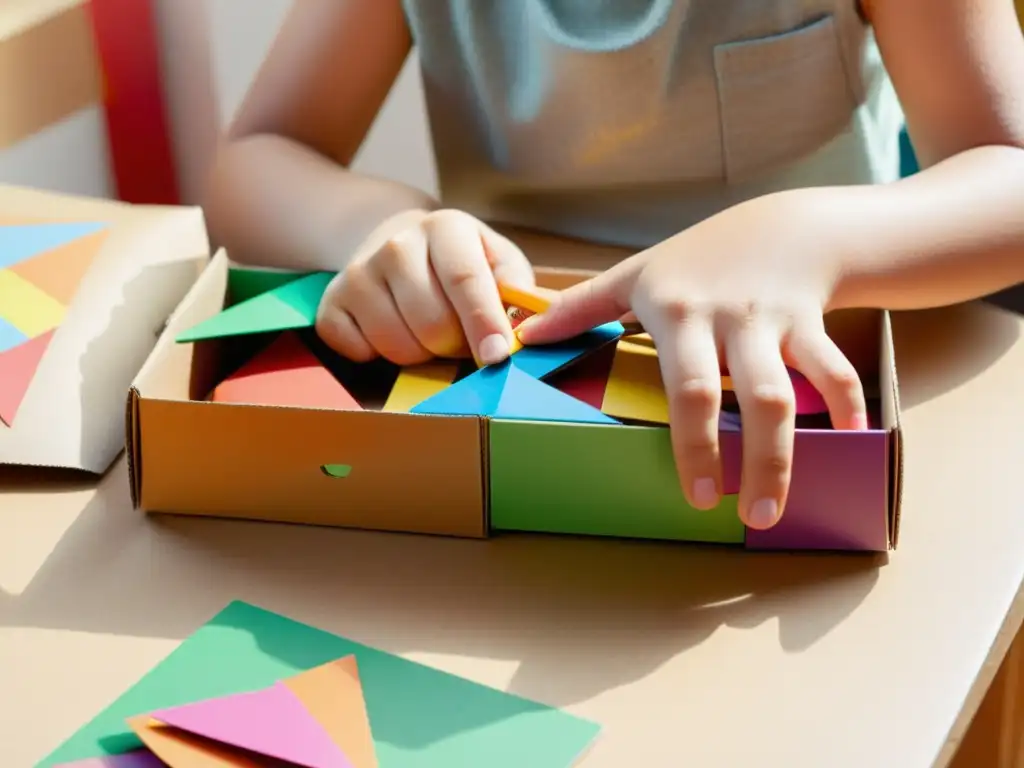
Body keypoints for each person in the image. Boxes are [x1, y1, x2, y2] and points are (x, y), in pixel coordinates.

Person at [204, 0, 1024, 531]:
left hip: (811, 421)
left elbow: (1009, 172)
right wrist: (377, 226)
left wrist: (810, 234)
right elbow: (256, 156)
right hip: (510, 423)